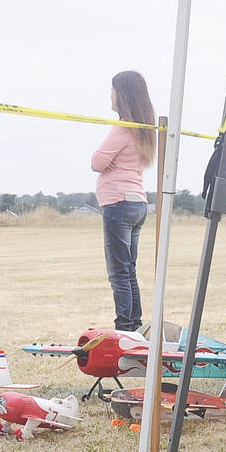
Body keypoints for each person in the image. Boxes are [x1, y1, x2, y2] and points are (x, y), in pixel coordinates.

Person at [91, 71, 155, 331]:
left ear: (123, 95)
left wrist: (109, 164)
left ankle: (125, 327)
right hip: (137, 202)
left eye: (113, 90)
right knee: (129, 270)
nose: (110, 95)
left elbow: (97, 162)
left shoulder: (123, 127)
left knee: (119, 272)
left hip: (119, 203)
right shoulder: (143, 128)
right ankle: (134, 325)